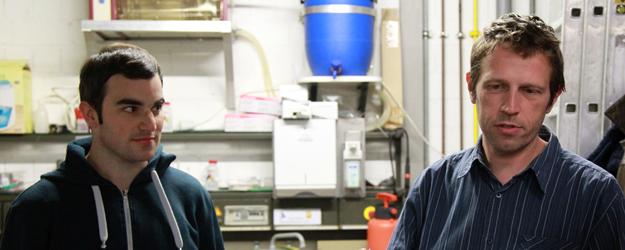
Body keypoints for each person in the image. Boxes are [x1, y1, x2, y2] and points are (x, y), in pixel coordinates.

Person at [388, 13, 625, 249]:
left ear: (553, 99)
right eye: (496, 86)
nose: (510, 107)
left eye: (530, 91)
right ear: (472, 87)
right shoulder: (432, 187)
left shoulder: (597, 196)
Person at [0, 43, 225, 250]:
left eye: (156, 108)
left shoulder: (190, 196)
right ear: (90, 114)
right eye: (130, 109)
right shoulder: (37, 207)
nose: (150, 124)